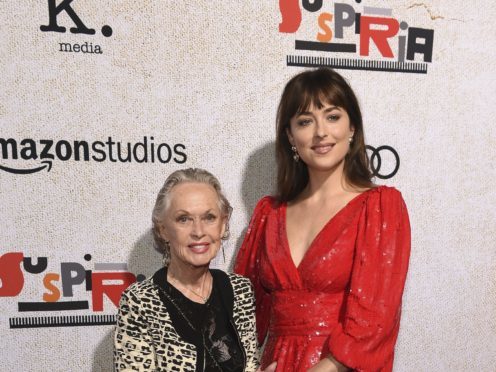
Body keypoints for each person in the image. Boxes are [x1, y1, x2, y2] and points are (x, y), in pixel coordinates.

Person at [235, 68, 411, 372]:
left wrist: (327, 367)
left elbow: (376, 317)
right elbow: (243, 311)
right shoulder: (268, 214)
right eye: (305, 121)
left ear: (352, 126)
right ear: (290, 135)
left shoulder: (380, 207)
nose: (320, 132)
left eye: (332, 116)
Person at [114, 168, 260, 371]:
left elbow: (251, 366)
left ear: (222, 224)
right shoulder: (140, 301)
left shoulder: (240, 289)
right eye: (184, 219)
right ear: (163, 229)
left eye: (209, 217)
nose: (198, 231)